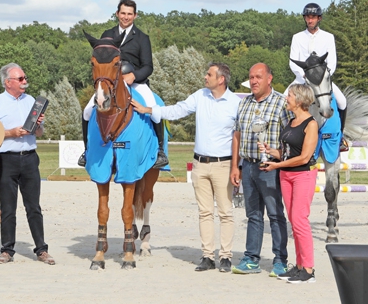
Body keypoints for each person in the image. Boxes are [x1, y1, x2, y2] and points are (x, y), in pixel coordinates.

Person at [132, 62, 240, 272]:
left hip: (224, 165)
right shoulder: (200, 96)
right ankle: (207, 256)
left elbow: (239, 136)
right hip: (200, 164)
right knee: (204, 213)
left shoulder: (235, 103)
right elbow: (178, 110)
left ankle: (225, 256)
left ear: (221, 79)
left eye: (209, 74)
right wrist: (149, 109)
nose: (205, 77)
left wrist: (238, 166)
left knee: (226, 212)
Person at [78, 0, 168, 169]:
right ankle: (87, 150)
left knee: (153, 108)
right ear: (117, 14)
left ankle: (160, 152)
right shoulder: (107, 34)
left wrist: (134, 76)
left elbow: (148, 66)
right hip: (111, 82)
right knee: (87, 111)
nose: (125, 17)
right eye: (123, 13)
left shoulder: (142, 38)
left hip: (135, 82)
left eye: (129, 14)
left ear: (135, 15)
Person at [0, 63, 55, 266]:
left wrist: (37, 127)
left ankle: (41, 249)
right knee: (8, 207)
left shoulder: (32, 101)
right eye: (21, 78)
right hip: (6, 159)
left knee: (34, 207)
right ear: (8, 82)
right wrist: (10, 133)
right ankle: (7, 249)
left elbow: (40, 132)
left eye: (25, 78)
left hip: (30, 158)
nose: (25, 81)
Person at [230, 63, 293, 276]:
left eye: (258, 77)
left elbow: (291, 136)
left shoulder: (281, 104)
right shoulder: (244, 103)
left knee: (275, 215)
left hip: (270, 167)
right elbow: (237, 135)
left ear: (269, 79)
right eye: (251, 77)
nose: (254, 81)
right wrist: (235, 166)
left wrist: (277, 154)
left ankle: (280, 260)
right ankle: (251, 259)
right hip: (247, 165)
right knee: (253, 215)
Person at [259, 84, 318, 284]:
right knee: (294, 221)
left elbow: (304, 157)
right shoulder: (291, 122)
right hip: (286, 175)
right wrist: (270, 151)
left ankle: (309, 269)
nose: (287, 98)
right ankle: (299, 266)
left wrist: (276, 165)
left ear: (300, 100)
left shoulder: (311, 124)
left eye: (290, 95)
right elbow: (285, 153)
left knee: (300, 220)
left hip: (303, 175)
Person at [289, 2, 348, 151]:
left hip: (322, 81)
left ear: (319, 18)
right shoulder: (297, 37)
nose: (310, 20)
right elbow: (292, 62)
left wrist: (321, 78)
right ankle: (284, 135)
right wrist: (304, 76)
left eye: (313, 17)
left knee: (342, 101)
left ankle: (340, 137)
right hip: (302, 79)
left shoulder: (328, 37)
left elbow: (332, 62)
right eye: (308, 17)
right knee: (283, 101)